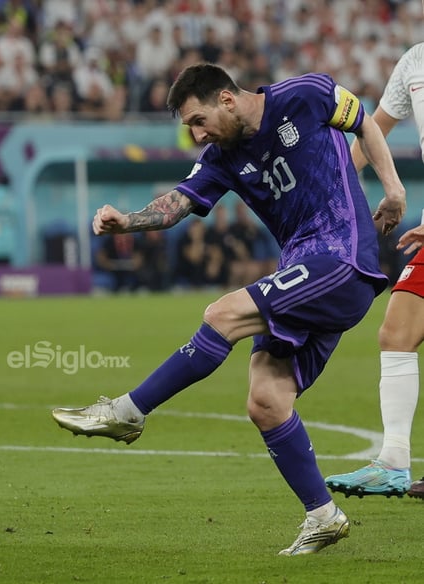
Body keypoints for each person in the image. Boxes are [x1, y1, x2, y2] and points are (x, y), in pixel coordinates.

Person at [51, 63, 406, 556]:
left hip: (341, 256)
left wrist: (393, 189)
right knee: (266, 400)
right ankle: (323, 516)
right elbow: (177, 203)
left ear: (227, 99)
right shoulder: (221, 157)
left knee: (222, 313)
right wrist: (126, 221)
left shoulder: (305, 94)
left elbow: (363, 120)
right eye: (188, 128)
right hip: (304, 269)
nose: (196, 135)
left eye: (198, 120)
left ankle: (128, 412)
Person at [324, 40, 424, 501]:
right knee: (397, 331)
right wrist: (330, 188)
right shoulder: (413, 62)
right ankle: (394, 462)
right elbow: (371, 131)